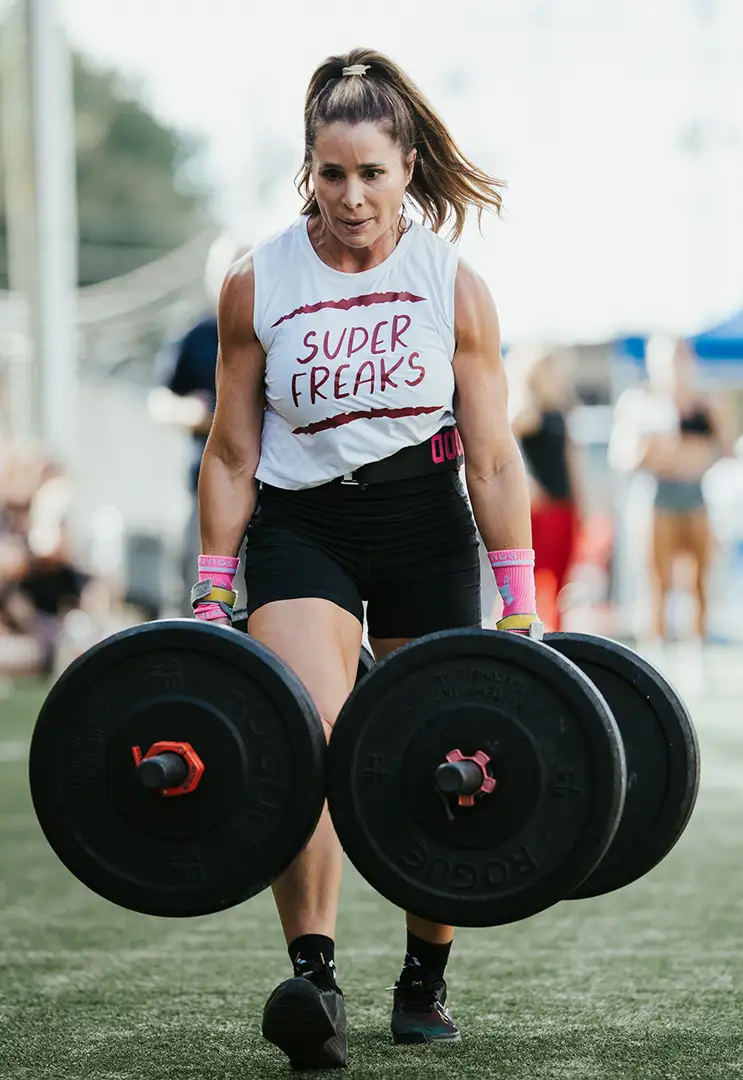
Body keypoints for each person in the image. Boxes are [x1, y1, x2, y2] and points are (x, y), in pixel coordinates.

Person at [194, 49, 540, 1070]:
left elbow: (489, 452)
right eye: (330, 173)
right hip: (304, 525)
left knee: (444, 749)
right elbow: (230, 448)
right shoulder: (257, 282)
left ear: (406, 169)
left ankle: (423, 977)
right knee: (307, 729)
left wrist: (517, 601)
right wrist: (215, 588)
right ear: (308, 169)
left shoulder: (450, 283)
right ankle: (313, 977)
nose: (350, 196)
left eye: (370, 174)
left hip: (425, 522)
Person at [609, 334, 734, 642]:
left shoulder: (706, 402)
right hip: (657, 497)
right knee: (656, 584)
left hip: (697, 496)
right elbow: (622, 457)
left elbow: (726, 448)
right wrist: (658, 450)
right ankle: (657, 653)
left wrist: (692, 450)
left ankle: (698, 654)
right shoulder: (640, 401)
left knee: (701, 583)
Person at [148, 236, 249, 612]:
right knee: (201, 598)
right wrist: (188, 412)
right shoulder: (196, 334)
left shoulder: (278, 331)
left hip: (272, 493)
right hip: (205, 489)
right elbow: (159, 400)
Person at [509, 344, 582, 631]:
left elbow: (571, 459)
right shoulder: (529, 409)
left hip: (563, 503)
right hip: (539, 508)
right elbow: (506, 442)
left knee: (561, 579)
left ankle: (556, 634)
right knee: (533, 579)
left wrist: (581, 500)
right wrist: (526, 481)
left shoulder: (560, 411)